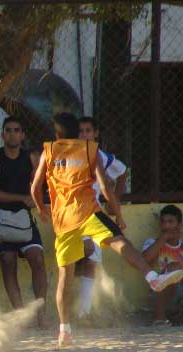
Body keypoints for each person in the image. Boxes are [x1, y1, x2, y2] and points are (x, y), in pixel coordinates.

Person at [31, 112, 183, 347]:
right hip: (89, 212)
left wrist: (42, 209)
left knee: (65, 275)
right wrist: (118, 213)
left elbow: (34, 187)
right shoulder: (90, 150)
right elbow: (104, 187)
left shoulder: (49, 151)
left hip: (63, 220)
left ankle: (64, 331)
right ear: (76, 132)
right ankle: (152, 277)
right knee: (119, 241)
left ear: (58, 134)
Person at [0, 116, 47, 328]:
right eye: (8, 130)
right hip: (1, 219)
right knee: (8, 261)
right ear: (2, 135)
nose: (12, 134)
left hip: (25, 220)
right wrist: (20, 198)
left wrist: (37, 200)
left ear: (23, 135)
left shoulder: (32, 158)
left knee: (37, 260)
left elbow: (42, 183)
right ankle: (22, 316)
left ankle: (41, 316)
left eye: (16, 130)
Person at [75, 117, 129, 317]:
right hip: (73, 213)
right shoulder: (71, 154)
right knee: (79, 258)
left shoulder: (103, 158)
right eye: (80, 131)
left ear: (95, 133)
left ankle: (83, 312)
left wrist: (115, 203)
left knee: (91, 261)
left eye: (88, 131)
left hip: (93, 213)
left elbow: (123, 172)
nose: (84, 135)